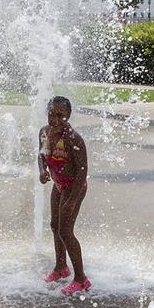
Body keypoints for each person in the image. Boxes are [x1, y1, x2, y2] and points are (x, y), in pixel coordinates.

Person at [38, 95, 90, 295]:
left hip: (75, 187)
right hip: (59, 186)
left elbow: (83, 170)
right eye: (52, 114)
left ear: (69, 115)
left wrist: (72, 199)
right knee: (55, 226)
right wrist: (43, 171)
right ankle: (61, 268)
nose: (55, 120)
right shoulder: (44, 132)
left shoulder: (73, 139)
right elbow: (42, 154)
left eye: (61, 115)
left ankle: (81, 279)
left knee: (66, 231)